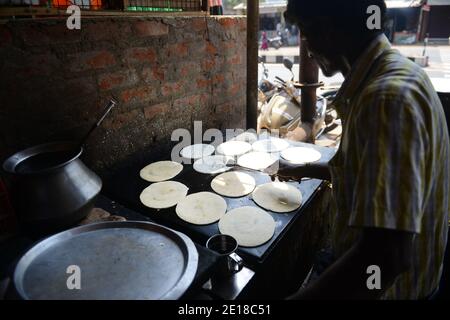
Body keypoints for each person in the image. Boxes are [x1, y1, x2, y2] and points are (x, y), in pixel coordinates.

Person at [274, 0, 450, 299]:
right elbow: (372, 174)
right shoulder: (398, 72)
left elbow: (385, 257)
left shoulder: (386, 100)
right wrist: (309, 170)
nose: (305, 45)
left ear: (329, 29)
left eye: (305, 31)